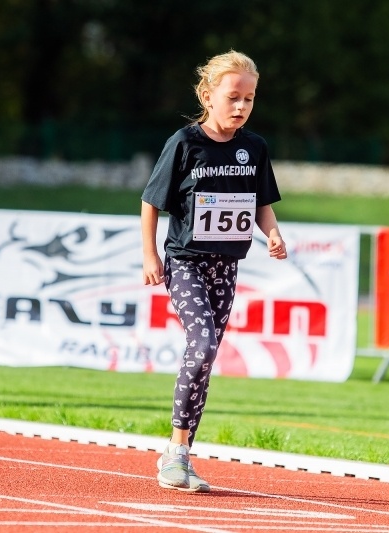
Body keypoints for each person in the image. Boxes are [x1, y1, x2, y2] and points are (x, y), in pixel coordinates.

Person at [140, 50, 287, 493]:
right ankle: (177, 452)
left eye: (250, 98)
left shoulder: (254, 148)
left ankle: (179, 454)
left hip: (227, 267)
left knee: (204, 360)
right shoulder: (185, 143)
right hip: (185, 262)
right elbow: (151, 202)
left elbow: (261, 202)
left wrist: (273, 234)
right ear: (208, 95)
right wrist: (151, 257)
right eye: (233, 97)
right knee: (201, 344)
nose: (241, 107)